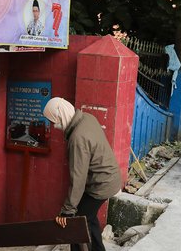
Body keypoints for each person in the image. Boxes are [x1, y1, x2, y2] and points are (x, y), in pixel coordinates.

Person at [43, 97, 122, 251]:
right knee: (87, 218)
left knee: (76, 223)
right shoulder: (87, 118)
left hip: (101, 184)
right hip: (108, 177)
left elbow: (77, 179)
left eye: (54, 121)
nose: (54, 126)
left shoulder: (77, 138)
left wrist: (67, 211)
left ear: (61, 116)